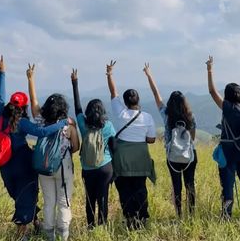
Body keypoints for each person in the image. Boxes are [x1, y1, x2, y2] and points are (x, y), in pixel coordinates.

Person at [0, 55, 69, 241]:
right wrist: (61, 124)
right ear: (24, 107)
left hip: (5, 166)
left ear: (10, 104)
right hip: (23, 164)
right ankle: (21, 236)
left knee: (20, 195)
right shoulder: (23, 123)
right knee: (26, 196)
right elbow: (42, 132)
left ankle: (34, 222)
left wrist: (2, 72)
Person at [27, 64, 79, 241]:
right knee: (64, 202)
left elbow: (33, 103)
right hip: (63, 166)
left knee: (49, 201)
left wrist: (30, 78)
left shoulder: (41, 121)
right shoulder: (69, 124)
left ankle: (49, 237)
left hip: (44, 166)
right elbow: (76, 146)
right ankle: (63, 240)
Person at [206, 56, 240, 220]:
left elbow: (212, 92)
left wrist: (209, 70)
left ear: (228, 95)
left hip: (229, 153)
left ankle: (227, 216)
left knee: (228, 185)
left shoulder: (229, 108)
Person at [106, 60, 156, 228]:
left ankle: (129, 217)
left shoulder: (120, 113)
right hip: (141, 158)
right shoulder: (147, 117)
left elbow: (113, 92)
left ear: (125, 102)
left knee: (124, 188)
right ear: (138, 100)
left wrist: (110, 74)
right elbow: (151, 139)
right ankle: (142, 216)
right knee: (140, 188)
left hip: (122, 159)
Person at [143, 63, 197, 216]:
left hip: (172, 156)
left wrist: (149, 75)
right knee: (190, 184)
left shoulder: (166, 114)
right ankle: (191, 214)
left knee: (177, 185)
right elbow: (192, 138)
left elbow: (156, 95)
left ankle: (179, 213)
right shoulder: (190, 117)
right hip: (190, 156)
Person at [71, 67, 116, 228]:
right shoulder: (108, 126)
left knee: (89, 198)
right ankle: (102, 227)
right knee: (103, 197)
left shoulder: (83, 125)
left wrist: (74, 82)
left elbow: (77, 107)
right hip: (105, 167)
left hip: (88, 167)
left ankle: (90, 226)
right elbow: (114, 147)